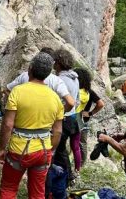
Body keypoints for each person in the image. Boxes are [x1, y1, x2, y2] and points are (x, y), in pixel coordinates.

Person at [0, 53, 64, 199]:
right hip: (43, 151)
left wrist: (2, 148)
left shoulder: (18, 91)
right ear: (47, 74)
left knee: (9, 188)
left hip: (18, 150)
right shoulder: (55, 98)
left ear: (30, 69)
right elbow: (58, 131)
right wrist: (50, 152)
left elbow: (8, 124)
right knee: (37, 193)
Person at [5, 47, 75, 112]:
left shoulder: (24, 75)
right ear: (52, 63)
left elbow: (7, 90)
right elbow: (71, 103)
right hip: (47, 121)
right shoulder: (56, 80)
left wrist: (17, 105)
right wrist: (58, 113)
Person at [53, 49, 81, 178]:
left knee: (59, 149)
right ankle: (67, 175)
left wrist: (59, 113)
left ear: (58, 63)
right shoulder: (75, 78)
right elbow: (77, 100)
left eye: (55, 61)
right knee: (62, 148)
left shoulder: (59, 79)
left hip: (63, 118)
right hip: (73, 118)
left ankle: (66, 176)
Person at [73, 68, 104, 165]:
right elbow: (100, 104)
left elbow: (101, 104)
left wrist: (90, 113)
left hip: (78, 118)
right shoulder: (89, 91)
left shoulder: (77, 91)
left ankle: (79, 163)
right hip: (84, 119)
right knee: (81, 143)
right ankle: (80, 163)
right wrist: (90, 113)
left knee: (77, 142)